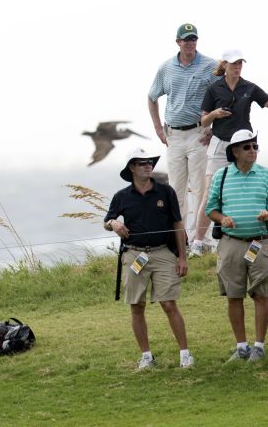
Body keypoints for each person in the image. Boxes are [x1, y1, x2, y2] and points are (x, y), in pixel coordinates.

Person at [104, 148, 193, 369]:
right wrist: (114, 223)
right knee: (137, 305)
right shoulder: (121, 196)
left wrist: (182, 257)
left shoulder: (166, 192)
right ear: (132, 168)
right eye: (142, 163)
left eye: (150, 162)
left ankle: (185, 354)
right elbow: (107, 221)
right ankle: (146, 356)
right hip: (134, 253)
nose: (148, 166)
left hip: (163, 252)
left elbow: (177, 225)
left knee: (169, 304)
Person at [189, 49, 268, 257]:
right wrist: (215, 114)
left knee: (244, 188)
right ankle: (197, 240)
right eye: (234, 64)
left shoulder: (249, 87)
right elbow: (203, 121)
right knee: (210, 190)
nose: (237, 67)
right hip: (220, 143)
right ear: (225, 65)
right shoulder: (214, 89)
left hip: (244, 143)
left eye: (240, 63)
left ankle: (245, 234)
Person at [205, 130, 268, 362]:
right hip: (231, 242)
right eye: (247, 147)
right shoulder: (222, 175)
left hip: (260, 241)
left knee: (260, 294)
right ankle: (241, 347)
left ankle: (259, 346)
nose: (253, 150)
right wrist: (222, 219)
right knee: (234, 296)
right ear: (235, 151)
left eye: (255, 146)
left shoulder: (266, 175)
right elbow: (211, 209)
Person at [148, 23, 219, 240]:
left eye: (193, 39)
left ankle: (200, 239)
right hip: (174, 135)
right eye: (186, 39)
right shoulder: (166, 68)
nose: (190, 43)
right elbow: (152, 97)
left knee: (199, 187)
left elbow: (224, 95)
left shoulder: (210, 65)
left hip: (199, 134)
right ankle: (179, 238)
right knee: (176, 188)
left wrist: (214, 127)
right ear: (178, 42)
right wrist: (158, 128)